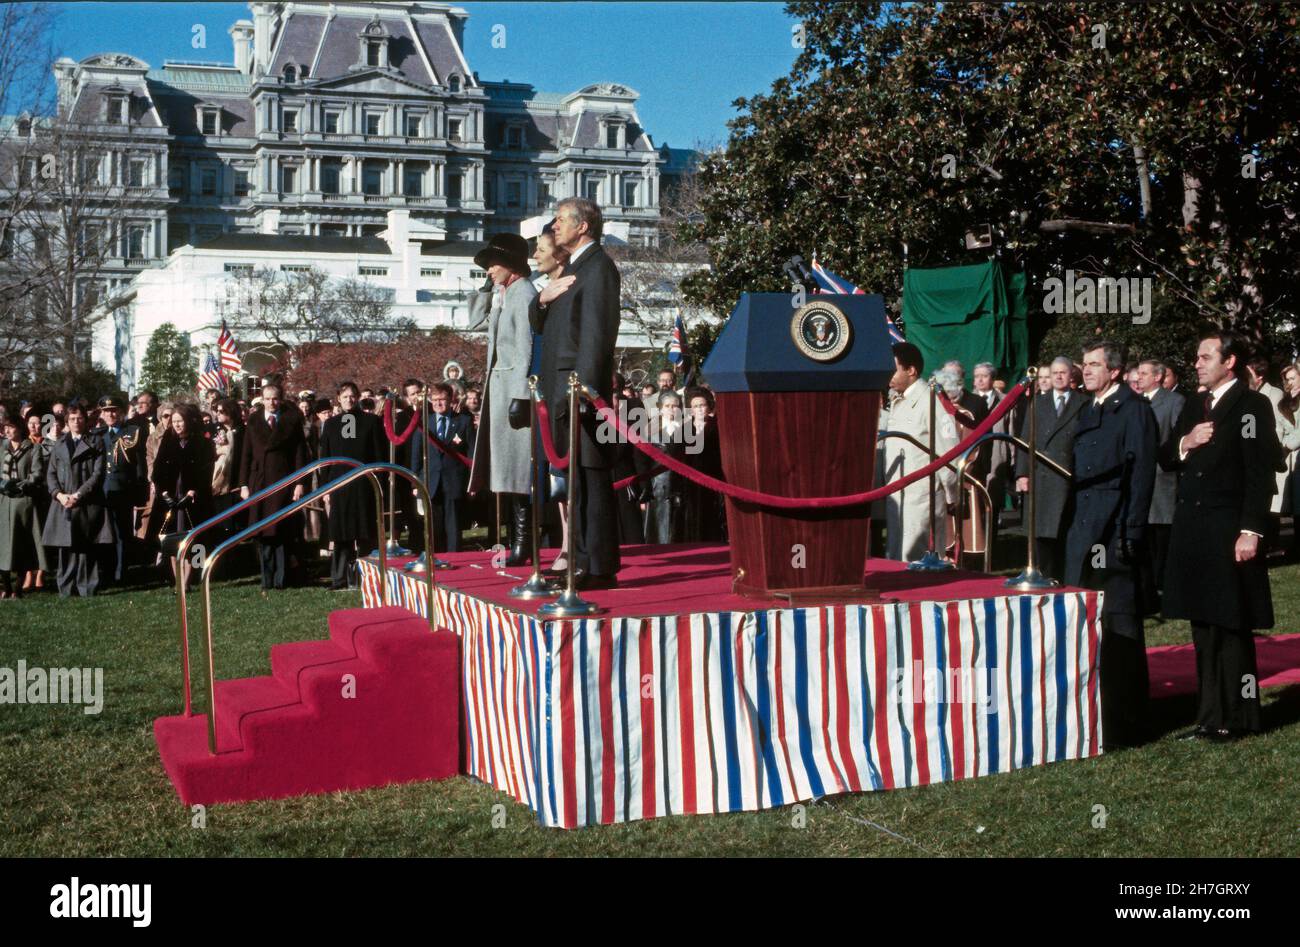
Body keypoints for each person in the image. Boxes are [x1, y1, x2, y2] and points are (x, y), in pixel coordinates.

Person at [1161, 331, 1283, 741]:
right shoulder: (1194, 404)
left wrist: (1251, 531)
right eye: (1196, 357)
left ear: (1229, 361)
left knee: (1231, 625)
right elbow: (1166, 457)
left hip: (1230, 530)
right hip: (1193, 531)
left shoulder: (1252, 406)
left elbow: (1260, 472)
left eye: (1205, 356)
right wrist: (1185, 441)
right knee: (1202, 625)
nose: (1197, 363)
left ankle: (1240, 716)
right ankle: (1209, 716)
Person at [1063, 340, 1158, 751]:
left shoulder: (1134, 410)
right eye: (1084, 364)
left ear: (1115, 371)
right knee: (1084, 623)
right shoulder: (1089, 409)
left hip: (1113, 528)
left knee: (1120, 625)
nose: (1085, 370)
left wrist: (1130, 532)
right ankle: (1092, 713)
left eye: (1094, 365)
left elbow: (1140, 477)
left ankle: (1128, 721)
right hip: (1082, 529)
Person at [528, 197, 622, 589]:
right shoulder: (573, 269)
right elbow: (543, 325)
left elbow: (596, 337)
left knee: (591, 479)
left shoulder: (597, 267)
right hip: (560, 390)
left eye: (562, 220)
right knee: (576, 481)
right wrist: (541, 299)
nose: (555, 227)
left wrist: (585, 391)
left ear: (583, 226)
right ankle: (579, 559)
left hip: (578, 392)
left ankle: (597, 566)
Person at [468, 233, 539, 567]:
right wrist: (486, 291)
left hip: (512, 389)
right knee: (508, 473)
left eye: (493, 264)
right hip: (500, 390)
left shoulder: (524, 293)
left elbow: (526, 346)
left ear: (511, 264)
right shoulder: (503, 294)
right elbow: (473, 322)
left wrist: (521, 395)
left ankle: (523, 542)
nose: (489, 270)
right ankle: (517, 541)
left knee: (517, 472)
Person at [882, 342, 959, 562]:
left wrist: (953, 496)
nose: (889, 374)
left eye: (894, 368)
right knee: (896, 559)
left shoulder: (930, 401)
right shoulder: (898, 401)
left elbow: (948, 452)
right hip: (897, 496)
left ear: (911, 370)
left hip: (921, 499)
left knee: (915, 563)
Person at [1015, 356, 1086, 581]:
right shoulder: (1038, 403)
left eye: (1062, 372)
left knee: (1063, 531)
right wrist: (1022, 473)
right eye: (1054, 372)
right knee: (1040, 533)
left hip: (1067, 476)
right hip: (1040, 476)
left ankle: (1063, 576)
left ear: (1071, 375)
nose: (1058, 376)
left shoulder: (1082, 403)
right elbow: (1025, 440)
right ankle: (1040, 573)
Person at [238, 382, 308, 590]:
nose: (272, 403)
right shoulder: (253, 421)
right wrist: (243, 484)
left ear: (281, 398)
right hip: (260, 482)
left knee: (282, 531)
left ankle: (282, 579)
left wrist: (300, 483)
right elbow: (246, 455)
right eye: (268, 399)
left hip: (284, 481)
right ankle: (266, 579)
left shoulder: (292, 420)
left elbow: (300, 454)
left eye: (275, 398)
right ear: (262, 399)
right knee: (264, 532)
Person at [42, 402, 115, 597]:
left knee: (86, 548)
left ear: (86, 420)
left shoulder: (96, 442)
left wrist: (78, 495)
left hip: (86, 502)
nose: (76, 422)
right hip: (63, 502)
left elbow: (98, 475)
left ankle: (87, 587)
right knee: (65, 548)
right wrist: (59, 494)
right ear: (67, 421)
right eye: (72, 419)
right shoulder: (59, 444)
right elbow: (51, 474)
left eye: (80, 418)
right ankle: (65, 588)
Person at [317, 382, 385, 589]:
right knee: (341, 533)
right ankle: (339, 578)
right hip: (339, 484)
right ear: (338, 398)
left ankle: (369, 577)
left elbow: (378, 456)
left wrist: (378, 485)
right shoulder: (331, 424)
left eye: (352, 396)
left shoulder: (371, 422)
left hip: (364, 484)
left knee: (365, 532)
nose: (349, 399)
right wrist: (325, 488)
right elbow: (325, 459)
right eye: (345, 396)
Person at [150, 404, 216, 590]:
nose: (177, 425)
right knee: (173, 541)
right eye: (174, 422)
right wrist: (164, 492)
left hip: (194, 498)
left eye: (180, 421)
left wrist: (193, 490)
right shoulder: (167, 441)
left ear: (188, 421)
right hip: (171, 498)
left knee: (195, 540)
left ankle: (193, 576)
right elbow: (157, 471)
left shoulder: (201, 442)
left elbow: (206, 471)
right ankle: (178, 581)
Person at [1135, 359, 1185, 602]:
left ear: (1157, 377)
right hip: (1138, 479)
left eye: (1144, 373)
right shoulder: (1136, 401)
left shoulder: (1174, 401)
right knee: (1144, 537)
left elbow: (1178, 437)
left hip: (1162, 478)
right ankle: (1147, 589)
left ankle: (1163, 585)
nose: (1139, 378)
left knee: (1161, 538)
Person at [95, 394, 148, 587]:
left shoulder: (133, 432)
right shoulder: (97, 434)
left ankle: (121, 574)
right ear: (101, 414)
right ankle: (104, 572)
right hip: (101, 491)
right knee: (103, 532)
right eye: (107, 411)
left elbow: (140, 465)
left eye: (114, 410)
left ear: (122, 412)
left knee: (122, 534)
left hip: (124, 490)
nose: (111, 415)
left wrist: (141, 492)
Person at [412, 382, 471, 554]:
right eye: (435, 400)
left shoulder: (463, 422)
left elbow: (471, 453)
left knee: (453, 526)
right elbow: (416, 456)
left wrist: (472, 482)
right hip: (430, 481)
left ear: (451, 400)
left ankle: (455, 558)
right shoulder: (424, 423)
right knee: (433, 526)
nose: (438, 403)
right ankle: (435, 558)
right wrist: (415, 482)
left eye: (442, 399)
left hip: (454, 481)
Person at [0, 415, 46, 598]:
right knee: (2, 546)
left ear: (20, 428)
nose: (8, 431)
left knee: (22, 546)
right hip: (3, 501)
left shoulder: (33, 449)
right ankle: (6, 587)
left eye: (12, 427)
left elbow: (36, 474)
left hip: (23, 502)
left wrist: (17, 485)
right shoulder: (1, 449)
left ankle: (17, 588)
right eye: (6, 428)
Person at [636, 389, 686, 544]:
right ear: (660, 407)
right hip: (657, 484)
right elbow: (642, 460)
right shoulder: (648, 429)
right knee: (657, 527)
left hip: (680, 482)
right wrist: (644, 488)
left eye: (675, 406)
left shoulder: (686, 427)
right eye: (668, 405)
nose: (672, 409)